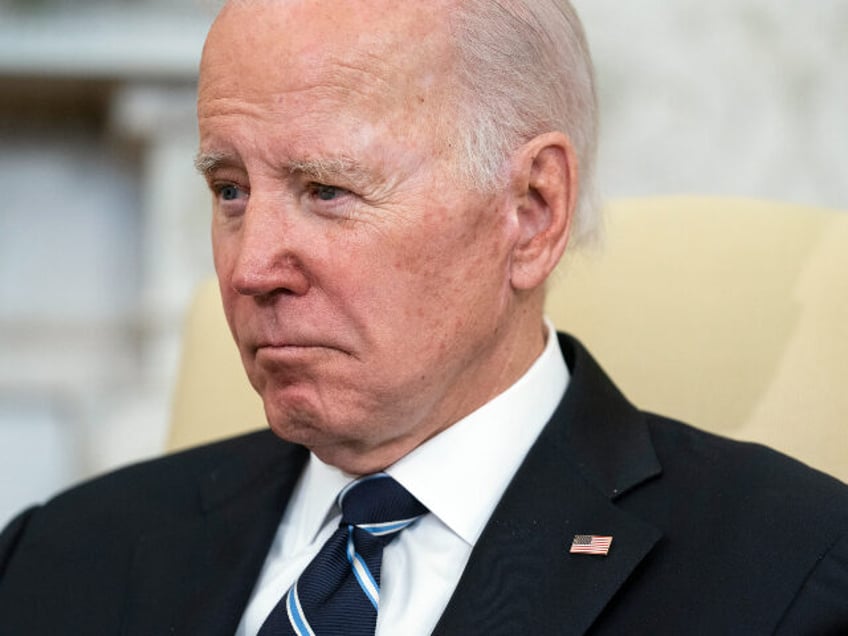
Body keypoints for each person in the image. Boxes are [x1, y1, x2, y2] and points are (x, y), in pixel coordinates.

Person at [1, 0, 847, 633]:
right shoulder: (56, 560)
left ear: (531, 210)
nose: (251, 268)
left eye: (326, 190)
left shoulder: (791, 574)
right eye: (230, 190)